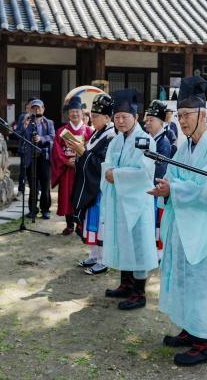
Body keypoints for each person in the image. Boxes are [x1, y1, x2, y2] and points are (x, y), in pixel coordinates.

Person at [149, 75, 207, 366]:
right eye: (179, 115)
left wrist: (175, 189)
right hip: (183, 222)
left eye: (186, 116)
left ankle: (204, 343)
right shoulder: (185, 146)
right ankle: (189, 328)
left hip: (204, 227)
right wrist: (165, 187)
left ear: (203, 115)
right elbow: (174, 175)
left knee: (202, 283)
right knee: (183, 278)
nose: (181, 121)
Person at [101, 89, 158, 311]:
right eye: (116, 117)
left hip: (136, 203)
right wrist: (110, 172)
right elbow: (107, 163)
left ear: (136, 116)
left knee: (138, 244)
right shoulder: (116, 140)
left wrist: (115, 174)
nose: (120, 121)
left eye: (125, 117)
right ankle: (125, 284)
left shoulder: (145, 140)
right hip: (119, 199)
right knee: (122, 241)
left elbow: (144, 174)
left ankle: (139, 292)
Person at [70, 94, 116, 275]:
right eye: (93, 115)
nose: (93, 119)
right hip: (92, 187)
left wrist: (83, 152)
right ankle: (94, 255)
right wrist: (81, 151)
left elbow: (102, 163)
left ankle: (104, 260)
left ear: (106, 118)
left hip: (101, 188)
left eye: (96, 116)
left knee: (100, 223)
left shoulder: (111, 135)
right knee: (92, 222)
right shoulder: (98, 133)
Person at [51, 96, 94, 235]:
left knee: (82, 195)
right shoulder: (61, 132)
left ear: (82, 113)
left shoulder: (89, 132)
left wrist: (79, 161)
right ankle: (70, 225)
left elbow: (93, 151)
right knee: (67, 196)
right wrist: (65, 161)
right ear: (68, 113)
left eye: (77, 111)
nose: (75, 114)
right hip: (67, 171)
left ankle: (81, 225)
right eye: (72, 111)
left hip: (82, 170)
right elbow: (56, 151)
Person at [144, 99, 176, 260]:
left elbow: (161, 168)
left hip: (155, 186)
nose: (148, 123)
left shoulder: (163, 142)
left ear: (161, 121)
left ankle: (159, 252)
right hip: (147, 185)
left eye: (152, 120)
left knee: (157, 220)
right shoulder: (149, 139)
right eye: (147, 120)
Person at [23, 99, 55, 219]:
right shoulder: (27, 121)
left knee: (45, 185)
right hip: (31, 158)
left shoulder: (49, 123)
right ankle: (33, 210)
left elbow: (53, 137)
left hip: (44, 157)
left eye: (38, 108)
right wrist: (25, 126)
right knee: (33, 186)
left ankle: (45, 209)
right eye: (34, 108)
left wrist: (41, 138)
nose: (36, 110)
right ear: (30, 109)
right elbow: (21, 136)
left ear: (43, 109)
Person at [15, 98, 35, 196]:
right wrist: (25, 126)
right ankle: (21, 190)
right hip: (25, 147)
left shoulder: (39, 118)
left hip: (35, 148)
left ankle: (36, 190)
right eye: (30, 106)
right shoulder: (23, 117)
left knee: (36, 170)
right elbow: (17, 133)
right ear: (27, 108)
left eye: (34, 107)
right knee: (23, 170)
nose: (31, 109)